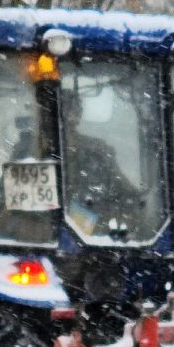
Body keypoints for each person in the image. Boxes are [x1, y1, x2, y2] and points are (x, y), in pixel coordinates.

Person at [61, 88, 146, 240]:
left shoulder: (98, 152)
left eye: (72, 111)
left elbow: (128, 198)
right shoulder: (28, 152)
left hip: (93, 241)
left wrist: (89, 221)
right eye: (64, 112)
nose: (69, 118)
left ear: (78, 115)